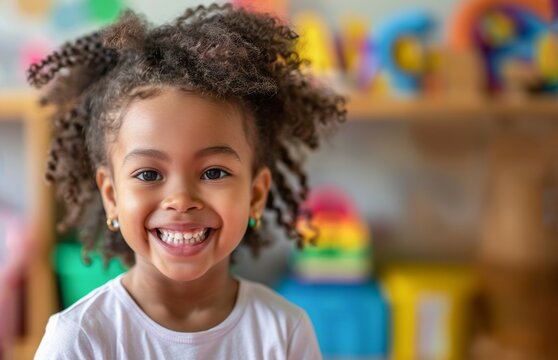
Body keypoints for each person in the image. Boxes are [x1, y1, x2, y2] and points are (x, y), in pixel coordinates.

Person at [29, 3, 346, 359]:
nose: (180, 199)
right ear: (112, 196)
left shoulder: (283, 332)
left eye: (214, 172)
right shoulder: (80, 338)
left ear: (256, 194)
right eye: (149, 174)